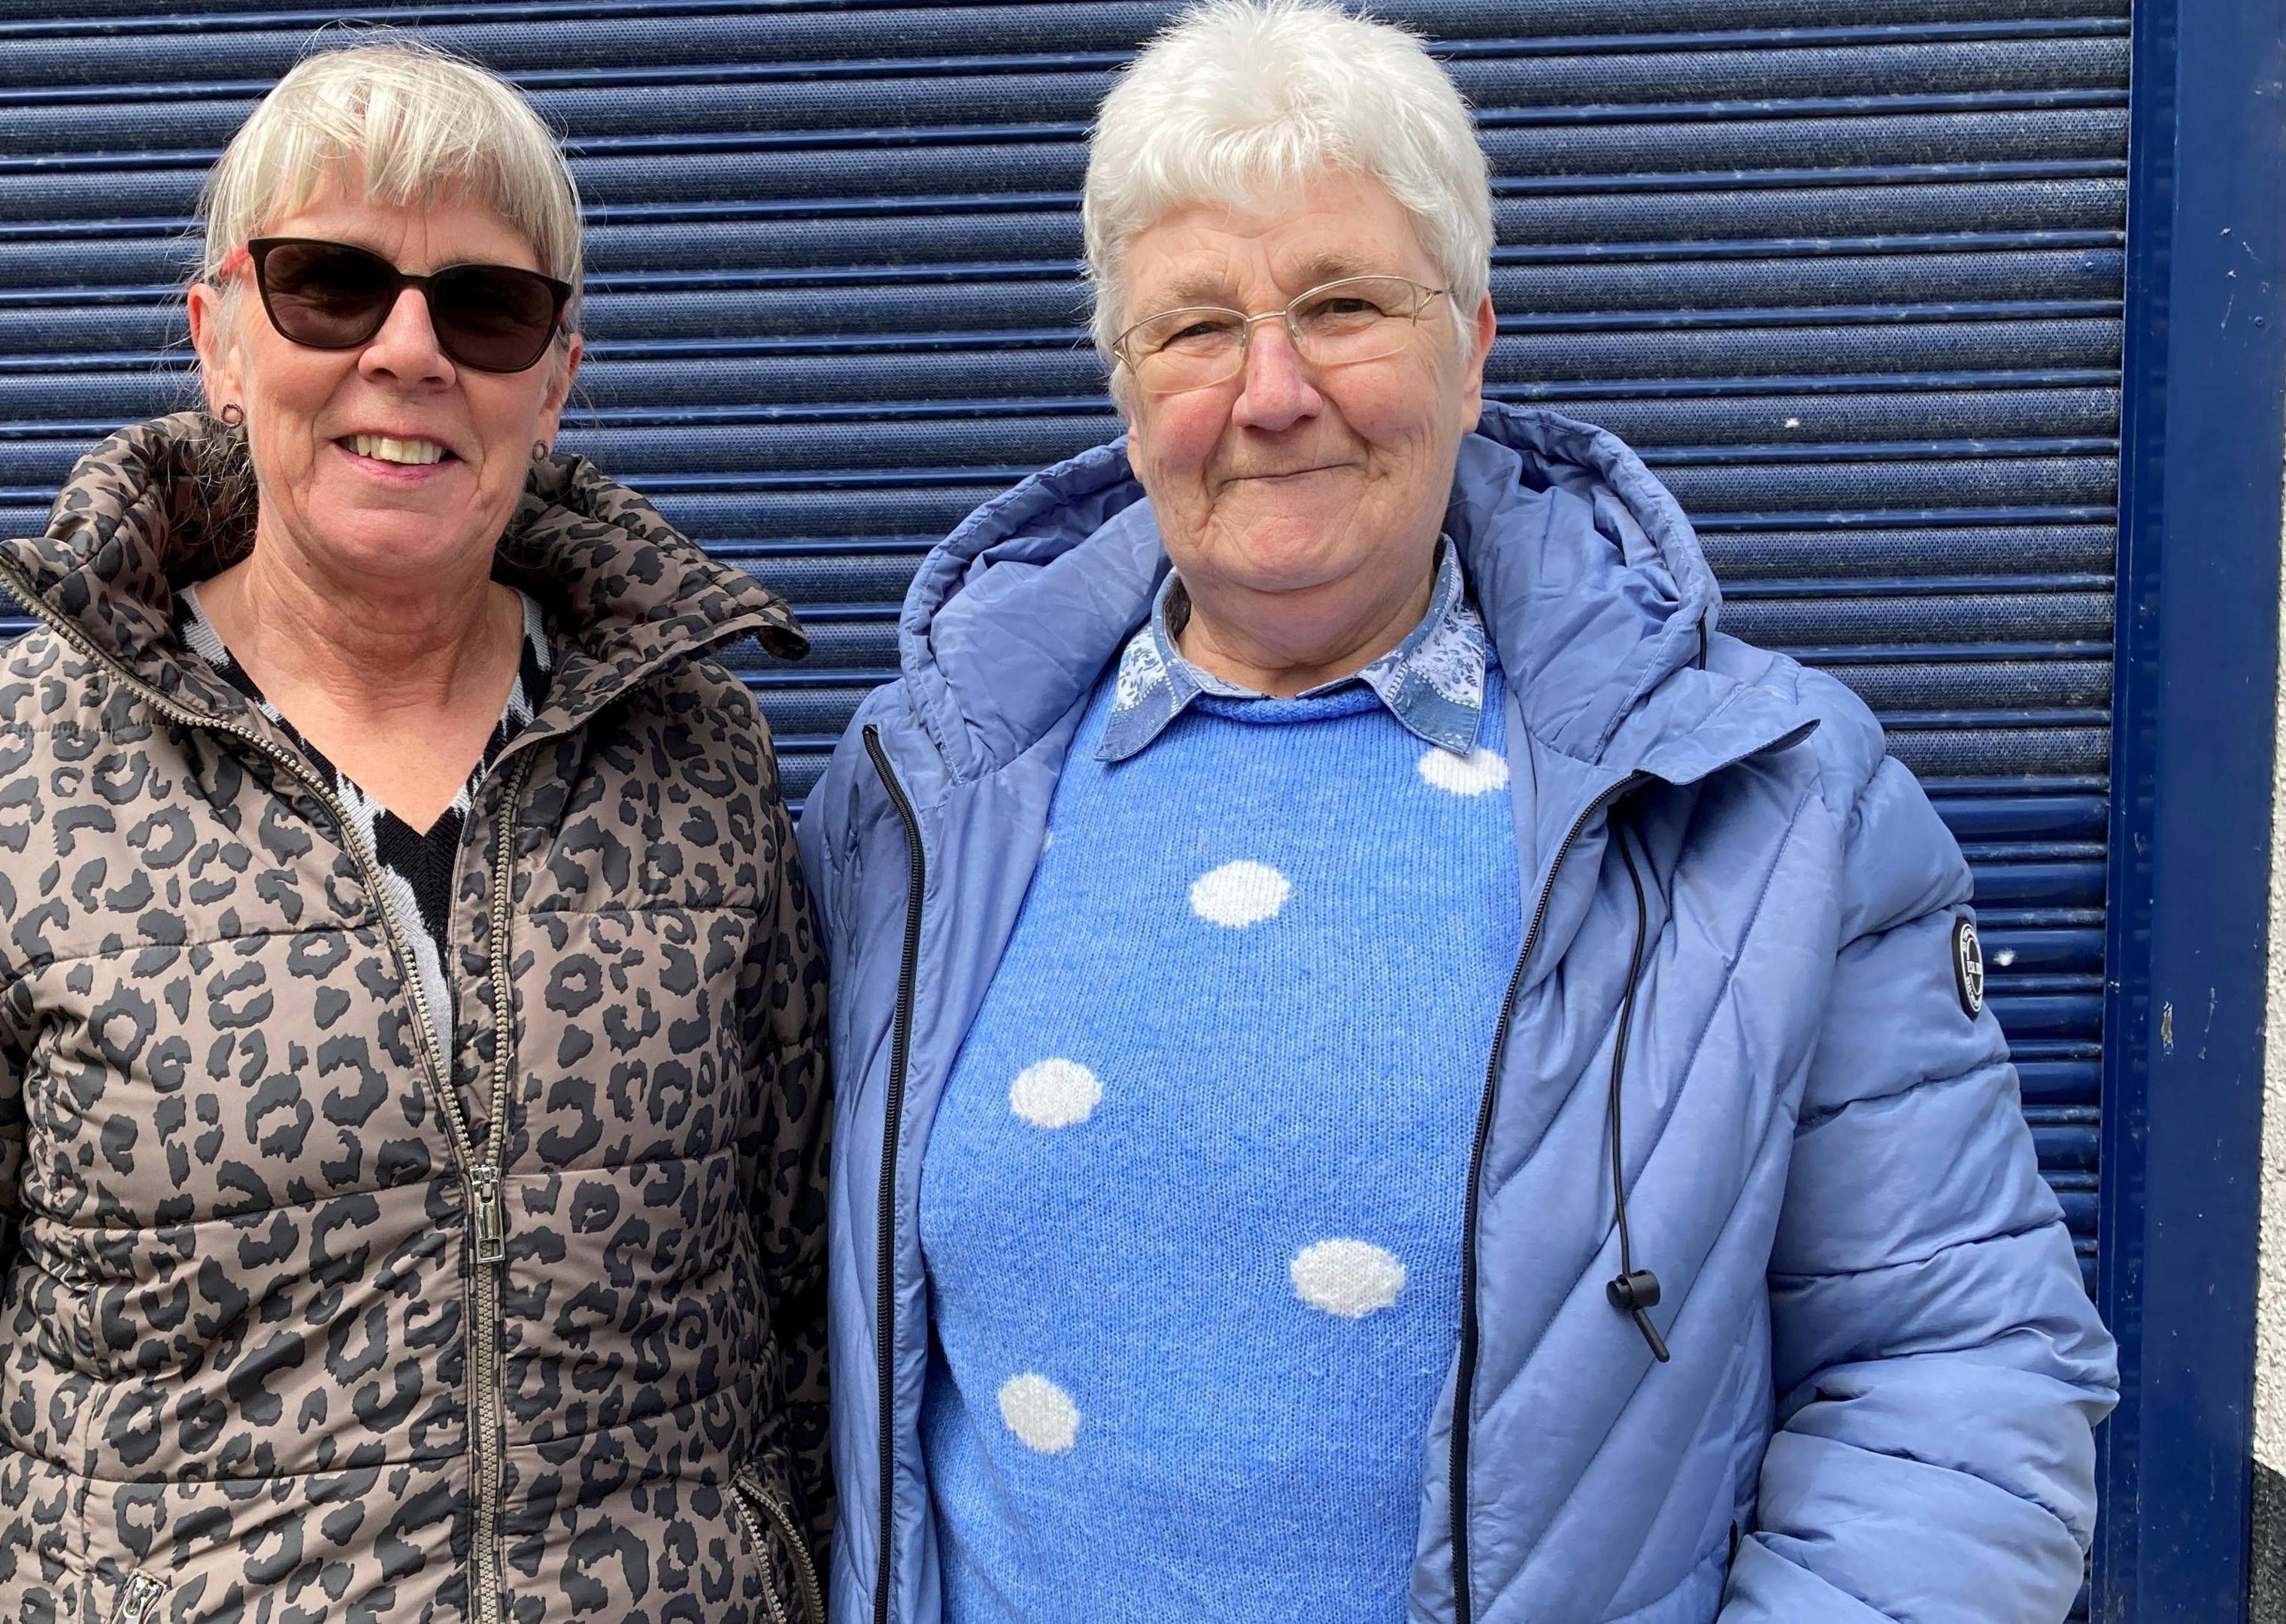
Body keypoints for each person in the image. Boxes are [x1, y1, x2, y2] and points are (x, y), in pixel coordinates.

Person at [797, 4, 2116, 1621]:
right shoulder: (916, 796)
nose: (1270, 390)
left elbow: (1957, 1372)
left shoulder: (1765, 802)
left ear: (1475, 342)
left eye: (1344, 304)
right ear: (1126, 390)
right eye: (1194, 328)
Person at [0, 40, 829, 1624]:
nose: (409, 354)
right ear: (216, 337)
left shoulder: (695, 753)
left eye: (486, 308)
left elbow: (795, 1316)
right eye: (328, 287)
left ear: (556, 377)